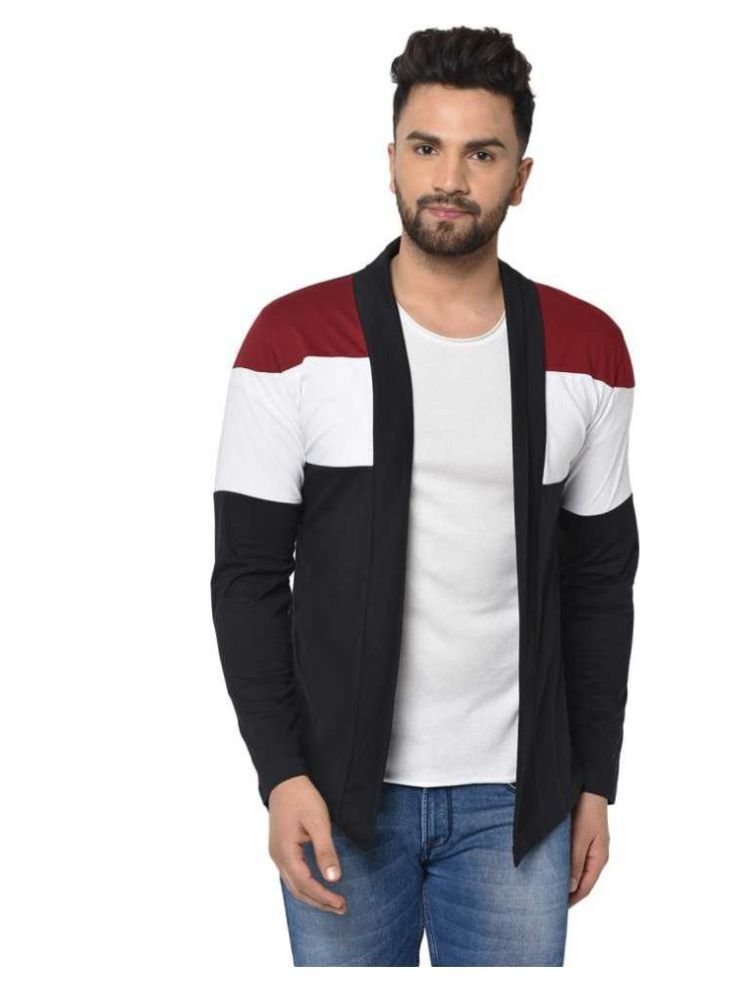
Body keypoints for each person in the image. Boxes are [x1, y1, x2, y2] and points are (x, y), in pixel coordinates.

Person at [210, 24, 639, 967]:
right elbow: (247, 577)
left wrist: (595, 779)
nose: (449, 178)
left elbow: (600, 584)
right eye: (426, 147)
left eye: (481, 153)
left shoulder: (588, 353)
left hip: (519, 806)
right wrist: (281, 774)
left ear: (521, 176)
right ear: (391, 160)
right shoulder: (293, 342)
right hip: (337, 797)